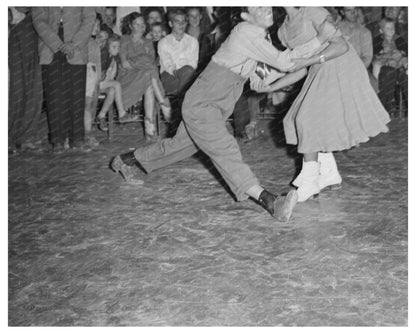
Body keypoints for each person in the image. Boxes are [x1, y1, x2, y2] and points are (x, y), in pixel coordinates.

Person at [109, 7, 336, 222]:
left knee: (178, 146)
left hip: (214, 106)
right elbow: (285, 62)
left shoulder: (261, 40)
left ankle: (125, 159)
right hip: (202, 105)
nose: (266, 8)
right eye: (258, 7)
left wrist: (305, 69)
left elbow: (261, 82)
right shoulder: (244, 32)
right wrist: (318, 43)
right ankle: (271, 202)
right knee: (226, 149)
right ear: (246, 15)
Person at [269, 7, 390, 202]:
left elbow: (341, 46)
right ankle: (329, 174)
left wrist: (310, 60)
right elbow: (300, 67)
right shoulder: (282, 30)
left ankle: (309, 182)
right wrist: (272, 86)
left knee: (306, 119)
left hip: (341, 65)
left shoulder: (314, 11)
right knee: (293, 118)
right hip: (318, 69)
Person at [32, 7, 96, 153]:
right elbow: (39, 20)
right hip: (50, 47)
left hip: (77, 48)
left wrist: (74, 43)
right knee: (54, 96)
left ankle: (77, 138)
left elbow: (89, 19)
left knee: (76, 96)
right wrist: (58, 44)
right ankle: (57, 139)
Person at [118, 12, 171, 141]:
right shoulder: (124, 39)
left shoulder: (148, 41)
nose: (141, 27)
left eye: (143, 24)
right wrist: (141, 60)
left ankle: (149, 130)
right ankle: (163, 103)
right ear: (130, 26)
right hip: (127, 78)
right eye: (137, 24)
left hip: (145, 75)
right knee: (150, 72)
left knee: (149, 81)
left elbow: (150, 61)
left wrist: (136, 61)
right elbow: (125, 64)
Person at [8, 7, 43, 153]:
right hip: (16, 31)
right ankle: (7, 139)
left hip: (36, 32)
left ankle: (26, 136)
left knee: (34, 89)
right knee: (15, 90)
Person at [95, 35, 140, 131]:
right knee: (116, 84)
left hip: (104, 85)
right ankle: (122, 113)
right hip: (95, 84)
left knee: (112, 91)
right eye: (113, 47)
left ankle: (101, 116)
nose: (117, 49)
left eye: (118, 47)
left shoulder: (114, 58)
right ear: (108, 47)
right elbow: (100, 77)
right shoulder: (104, 56)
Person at [158, 9, 199, 96]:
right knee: (191, 83)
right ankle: (186, 101)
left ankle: (183, 101)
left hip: (188, 75)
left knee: (189, 73)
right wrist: (177, 72)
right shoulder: (163, 42)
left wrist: (184, 74)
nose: (181, 24)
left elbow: (193, 63)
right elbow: (167, 63)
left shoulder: (193, 41)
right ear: (170, 24)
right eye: (177, 21)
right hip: (170, 76)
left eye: (184, 21)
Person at [372, 17, 407, 111]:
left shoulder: (398, 38)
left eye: (392, 27)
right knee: (377, 64)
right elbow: (375, 51)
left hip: (397, 59)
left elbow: (406, 49)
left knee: (405, 59)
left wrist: (401, 52)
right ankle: (376, 84)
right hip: (384, 59)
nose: (391, 30)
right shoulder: (378, 39)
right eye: (388, 28)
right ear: (381, 30)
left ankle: (407, 68)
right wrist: (383, 51)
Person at [186, 7, 215, 72]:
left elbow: (210, 59)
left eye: (197, 15)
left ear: (201, 16)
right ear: (187, 18)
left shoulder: (207, 37)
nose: (195, 19)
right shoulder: (181, 36)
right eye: (191, 16)